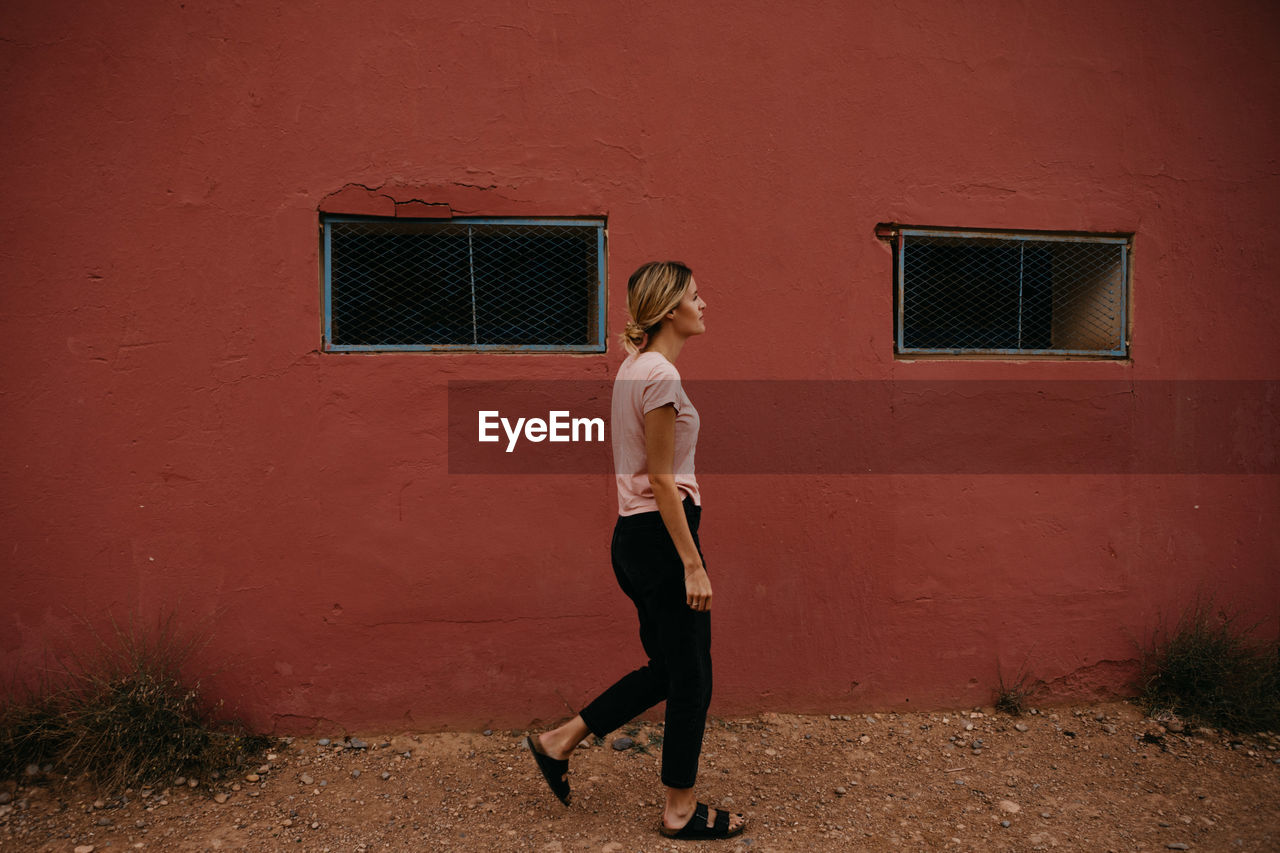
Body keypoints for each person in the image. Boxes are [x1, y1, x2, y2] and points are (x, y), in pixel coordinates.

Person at [524, 261, 747, 840]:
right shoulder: (661, 377)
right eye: (697, 297)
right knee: (693, 676)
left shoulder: (635, 369)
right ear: (672, 309)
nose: (705, 305)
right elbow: (663, 478)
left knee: (668, 670)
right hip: (662, 536)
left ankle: (558, 742)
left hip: (636, 537)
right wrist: (693, 564)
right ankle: (679, 812)